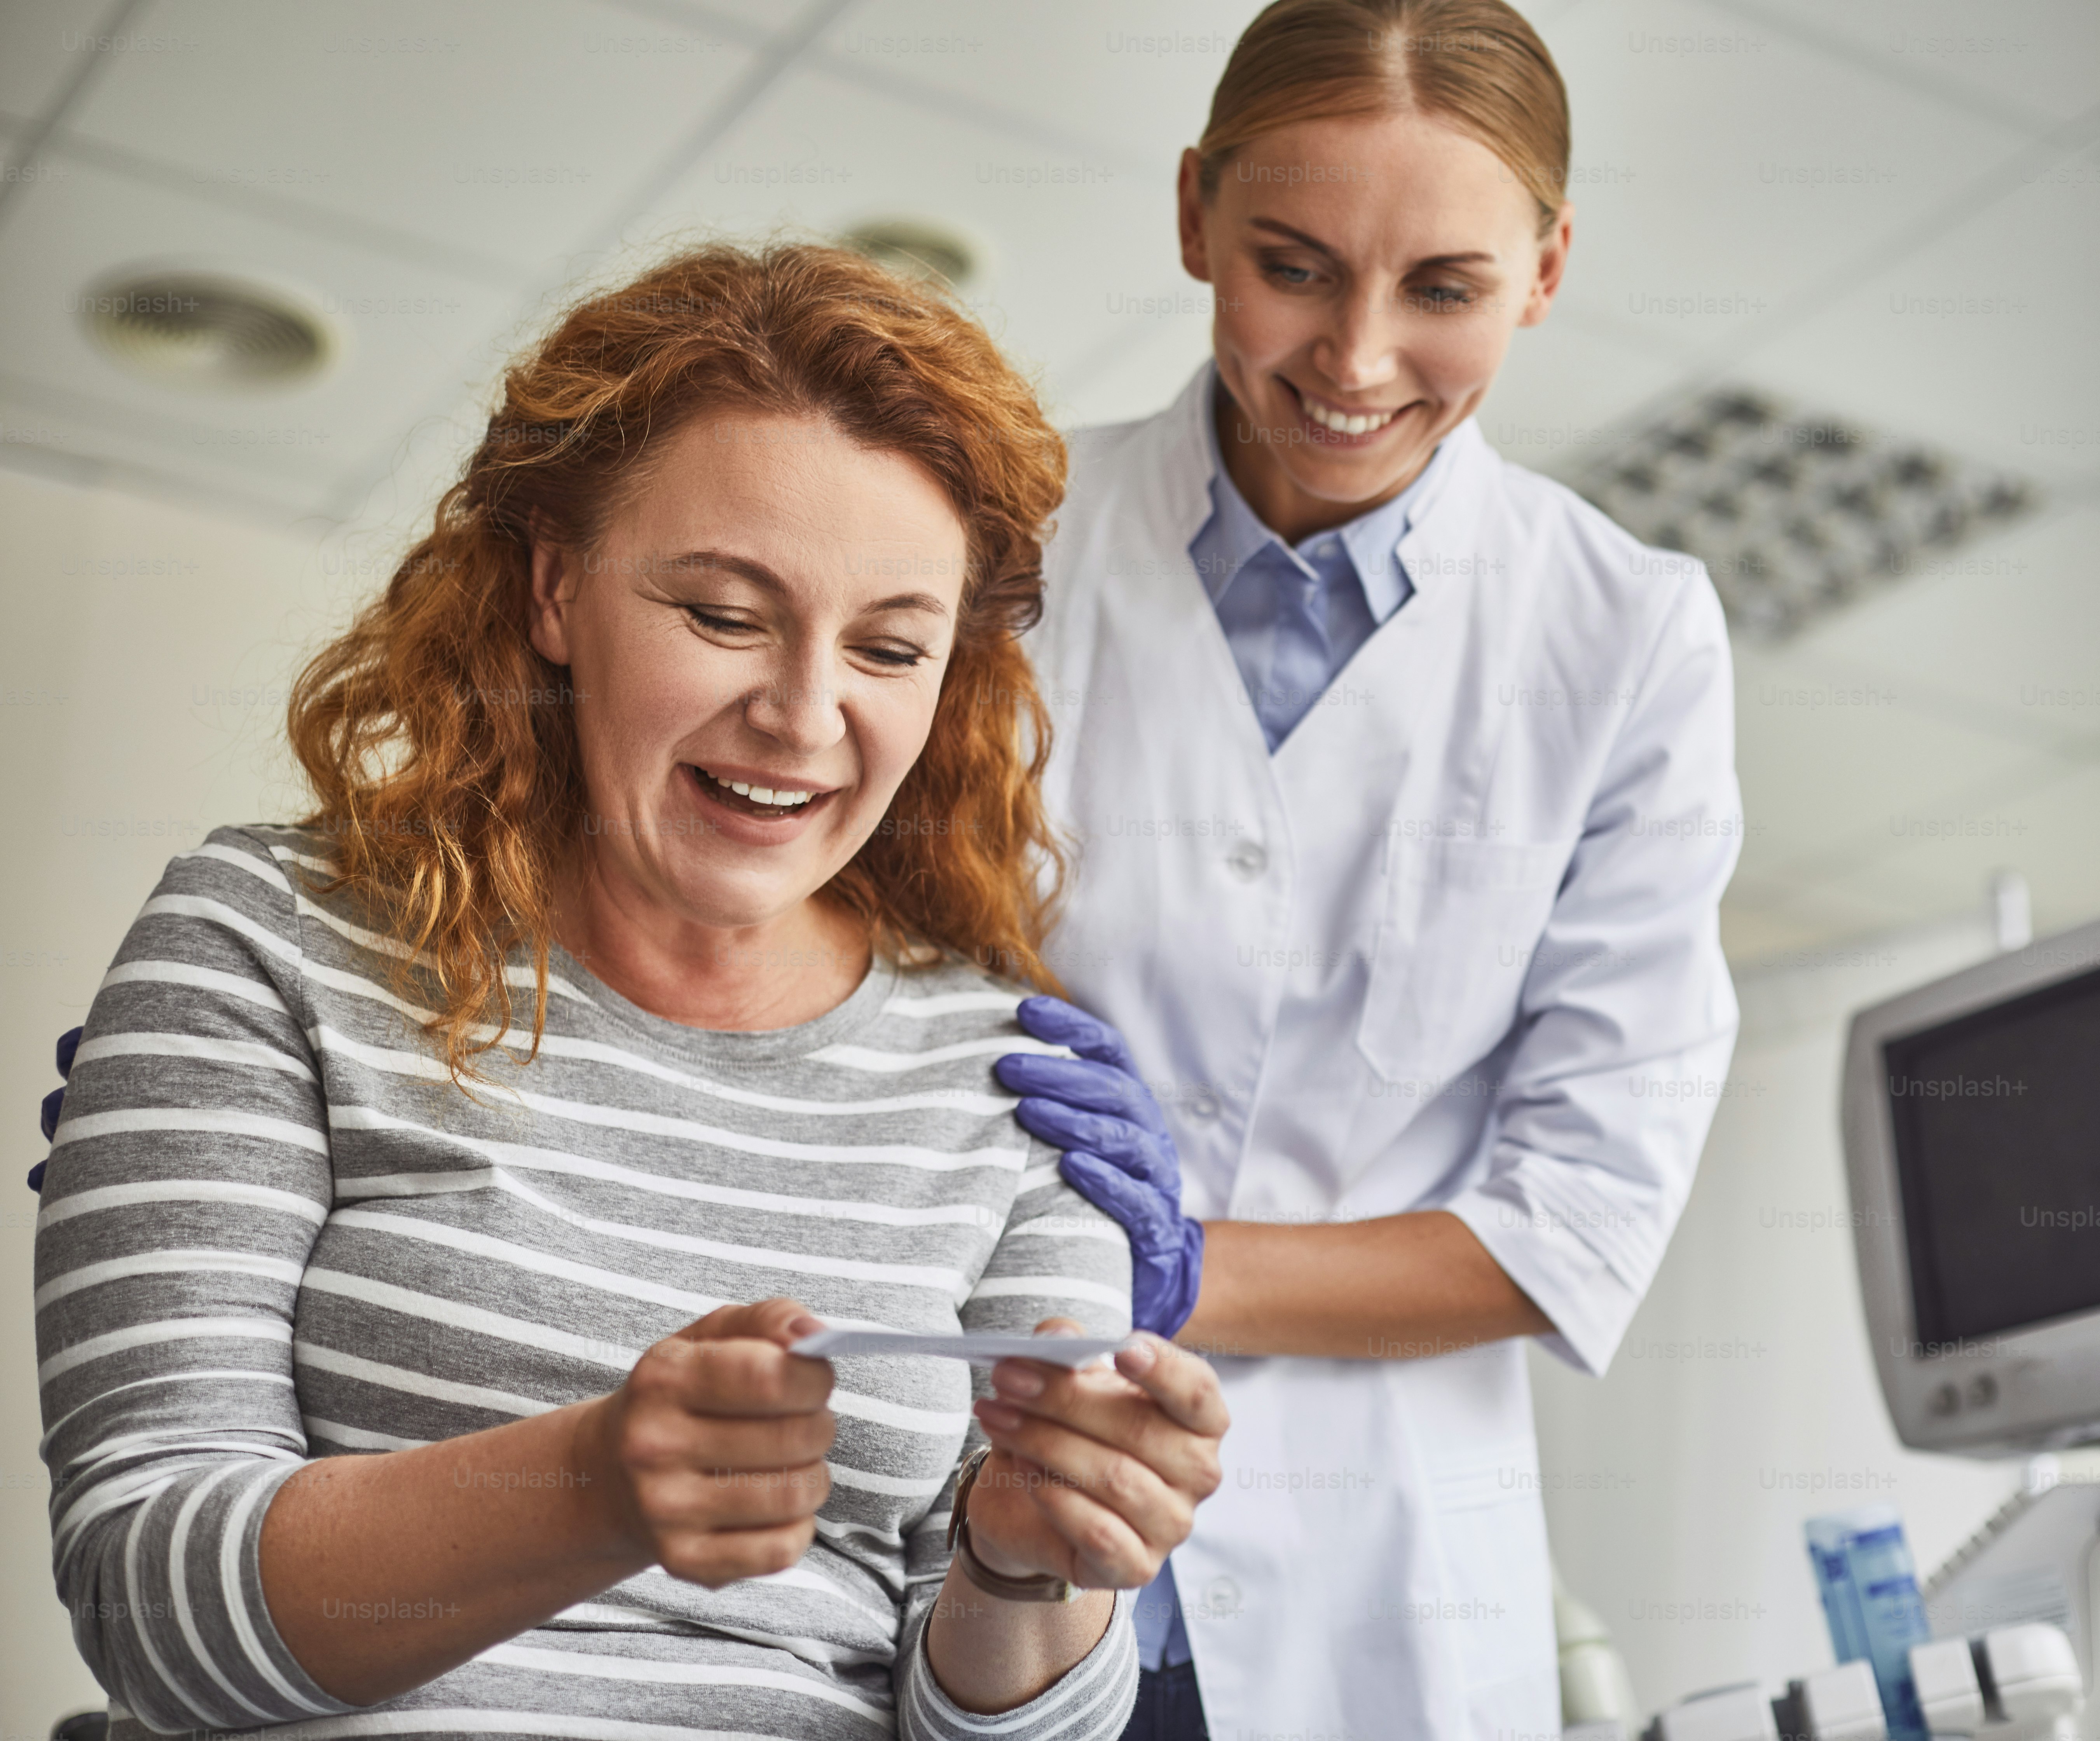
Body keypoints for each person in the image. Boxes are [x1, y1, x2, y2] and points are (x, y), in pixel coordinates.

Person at [33, 243, 1226, 1741]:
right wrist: (590, 1489)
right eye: (724, 614)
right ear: (554, 589)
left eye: (888, 647)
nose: (803, 714)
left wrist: (1024, 1565)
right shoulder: (267, 941)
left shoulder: (1014, 1081)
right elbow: (145, 1611)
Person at [990, 2, 1744, 1737]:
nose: (1357, 357)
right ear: (1195, 213)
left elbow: (1575, 1221)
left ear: (1546, 271)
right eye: (1295, 267)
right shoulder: (997, 547)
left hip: (1372, 1590)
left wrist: (1181, 1265)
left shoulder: (1626, 641)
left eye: (1444, 290)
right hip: (990, 1501)